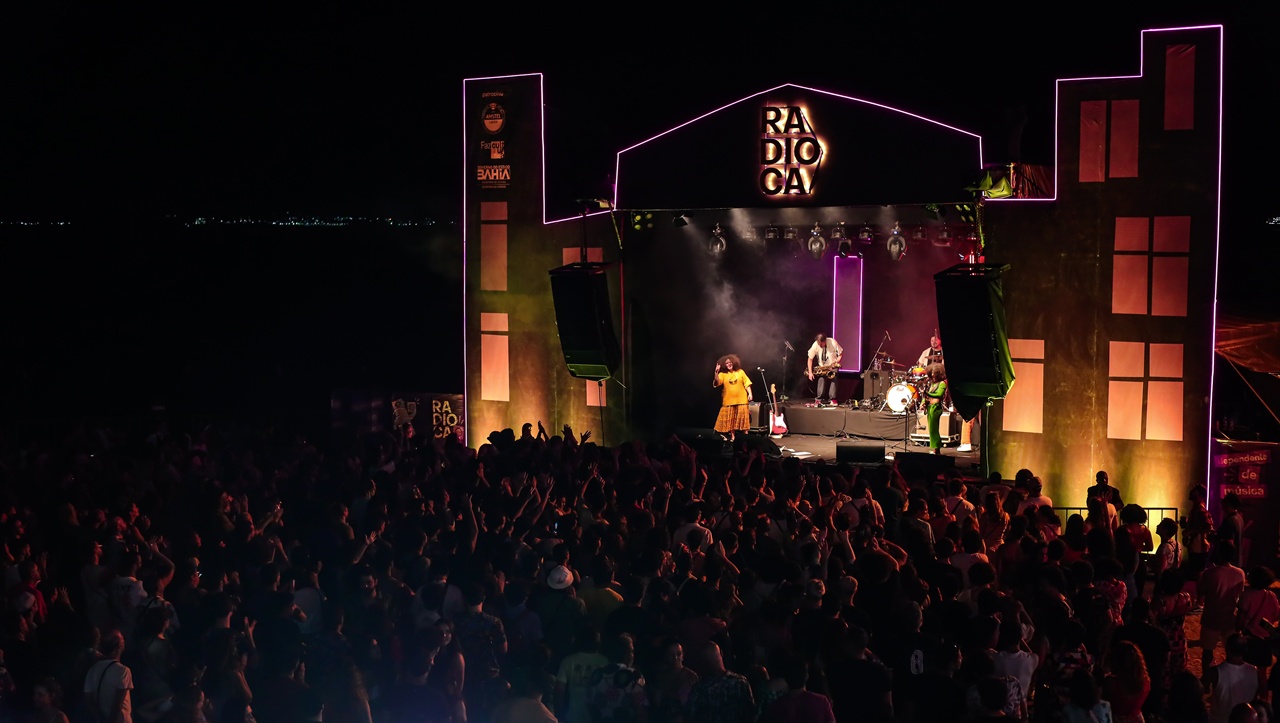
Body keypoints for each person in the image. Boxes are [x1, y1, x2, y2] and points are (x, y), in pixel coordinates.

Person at [83, 630, 134, 723]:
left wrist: (99, 718)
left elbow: (89, 700)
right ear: (120, 646)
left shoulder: (93, 670)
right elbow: (118, 704)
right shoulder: (123, 671)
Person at [713, 354, 754, 441]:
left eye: (730, 362)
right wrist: (716, 372)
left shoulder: (740, 372)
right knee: (731, 421)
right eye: (727, 363)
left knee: (744, 421)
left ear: (734, 362)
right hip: (729, 401)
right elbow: (717, 383)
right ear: (724, 365)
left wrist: (750, 394)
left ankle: (746, 438)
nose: (729, 364)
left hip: (742, 400)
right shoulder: (722, 374)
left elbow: (747, 383)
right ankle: (733, 437)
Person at [805, 334, 842, 406]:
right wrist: (810, 372)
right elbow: (810, 359)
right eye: (818, 344)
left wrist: (835, 363)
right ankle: (819, 399)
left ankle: (833, 399)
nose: (819, 345)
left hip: (832, 365)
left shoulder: (833, 342)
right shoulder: (815, 344)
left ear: (825, 341)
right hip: (822, 367)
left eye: (821, 344)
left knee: (833, 380)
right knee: (821, 380)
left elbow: (841, 354)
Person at [923, 363, 948, 454]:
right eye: (932, 373)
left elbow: (939, 395)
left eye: (935, 373)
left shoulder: (942, 384)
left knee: (934, 429)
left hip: (936, 408)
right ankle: (935, 447)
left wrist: (927, 394)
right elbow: (927, 396)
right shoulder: (933, 384)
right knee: (931, 429)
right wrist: (923, 403)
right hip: (930, 407)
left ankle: (936, 449)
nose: (933, 375)